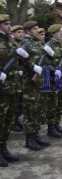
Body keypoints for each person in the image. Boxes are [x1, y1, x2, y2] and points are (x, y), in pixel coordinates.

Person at [20, 21, 50, 150]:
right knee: (30, 111)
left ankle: (36, 135)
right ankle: (29, 139)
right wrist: (33, 67)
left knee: (38, 109)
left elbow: (45, 60)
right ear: (27, 31)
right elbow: (21, 61)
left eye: (37, 28)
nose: (37, 30)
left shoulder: (38, 42)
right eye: (34, 29)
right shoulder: (24, 44)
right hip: (29, 82)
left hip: (40, 81)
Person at [0, 14, 20, 166]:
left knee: (9, 118)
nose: (9, 26)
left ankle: (4, 148)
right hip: (1, 88)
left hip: (12, 86)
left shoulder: (11, 40)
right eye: (6, 24)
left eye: (9, 23)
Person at [45, 24, 62, 138]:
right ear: (52, 33)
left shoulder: (60, 45)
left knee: (60, 103)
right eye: (58, 32)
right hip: (53, 80)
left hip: (61, 79)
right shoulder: (48, 46)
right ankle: (51, 127)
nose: (61, 33)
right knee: (52, 105)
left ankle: (57, 124)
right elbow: (45, 63)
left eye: (61, 32)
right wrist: (54, 71)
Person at [10, 25, 25, 132]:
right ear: (13, 33)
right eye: (19, 32)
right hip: (11, 76)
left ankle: (16, 119)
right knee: (12, 100)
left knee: (19, 100)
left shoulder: (22, 44)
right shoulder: (10, 44)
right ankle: (13, 121)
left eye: (22, 32)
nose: (21, 34)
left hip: (21, 76)